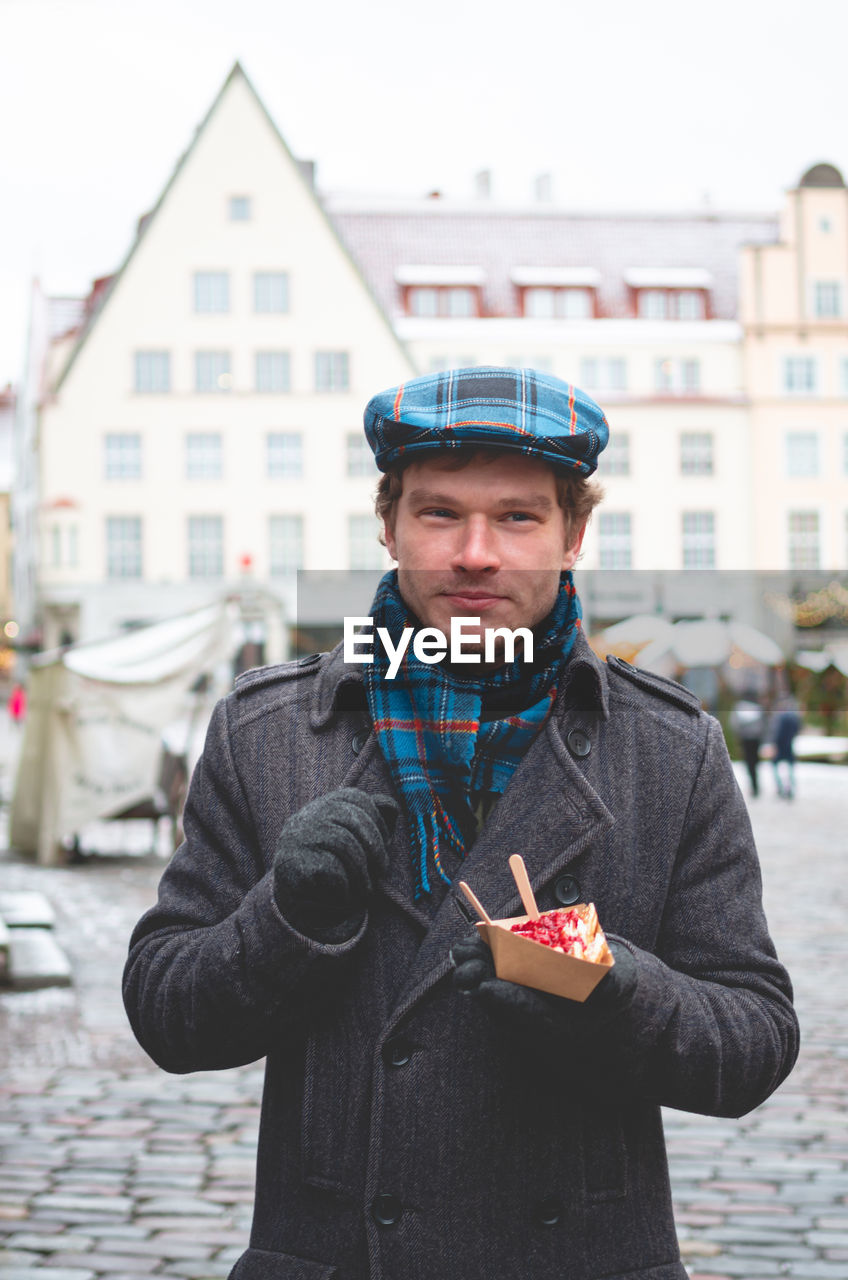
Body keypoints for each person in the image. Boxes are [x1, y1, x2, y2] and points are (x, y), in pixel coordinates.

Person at [124, 367, 799, 1280]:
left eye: (518, 517)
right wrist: (286, 918)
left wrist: (607, 984)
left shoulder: (669, 748)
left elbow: (753, 1042)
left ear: (576, 535)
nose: (475, 553)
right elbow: (168, 1016)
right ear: (389, 523)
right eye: (440, 514)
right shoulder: (268, 731)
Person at [730, 692, 766, 797]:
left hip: (745, 738)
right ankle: (756, 785)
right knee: (755, 762)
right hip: (756, 739)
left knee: (749, 763)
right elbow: (763, 725)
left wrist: (737, 736)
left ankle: (753, 786)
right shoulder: (758, 708)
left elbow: (734, 724)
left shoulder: (739, 708)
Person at [772, 694, 802, 800]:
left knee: (776, 767)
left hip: (781, 745)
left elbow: (777, 732)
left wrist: (774, 744)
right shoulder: (794, 716)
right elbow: (797, 729)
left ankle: (781, 787)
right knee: (789, 768)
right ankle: (789, 788)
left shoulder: (780, 717)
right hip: (789, 745)